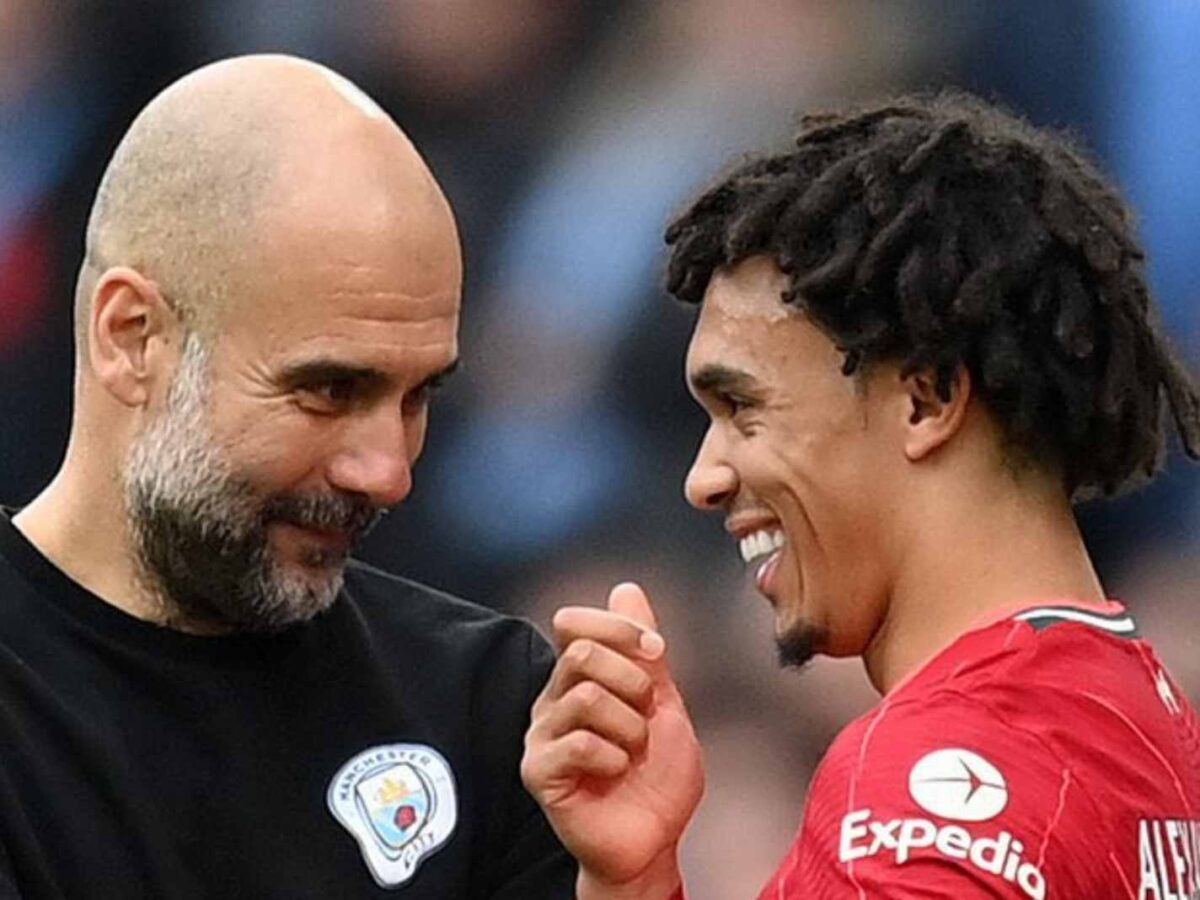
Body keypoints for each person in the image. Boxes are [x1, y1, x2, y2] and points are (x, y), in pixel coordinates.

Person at [521, 92, 1200, 899]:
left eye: (743, 408)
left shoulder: (935, 791)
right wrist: (631, 881)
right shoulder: (1145, 727)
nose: (704, 479)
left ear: (928, 399)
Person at [0, 55, 575, 899]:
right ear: (132, 338)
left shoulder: (494, 713)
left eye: (418, 397)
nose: (387, 473)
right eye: (330, 390)